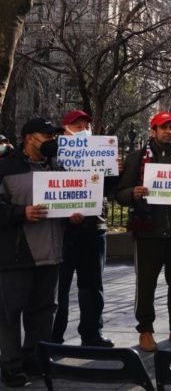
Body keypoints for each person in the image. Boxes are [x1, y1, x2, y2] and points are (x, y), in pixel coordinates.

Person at [0, 118, 83, 387]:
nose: (51, 140)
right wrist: (20, 213)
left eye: (53, 135)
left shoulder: (58, 168)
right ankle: (10, 365)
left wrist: (74, 215)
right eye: (45, 135)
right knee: (9, 314)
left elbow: (69, 203)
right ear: (28, 138)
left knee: (43, 311)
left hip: (52, 253)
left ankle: (34, 359)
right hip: (16, 255)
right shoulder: (5, 167)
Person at [115, 111, 171, 352]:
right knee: (146, 285)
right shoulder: (136, 159)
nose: (169, 131)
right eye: (163, 127)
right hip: (148, 233)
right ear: (152, 131)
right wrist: (132, 193)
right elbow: (119, 194)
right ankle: (145, 330)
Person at [50, 110, 115, 347]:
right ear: (65, 129)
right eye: (77, 126)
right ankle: (54, 337)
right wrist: (66, 213)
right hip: (63, 231)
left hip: (93, 228)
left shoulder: (99, 155)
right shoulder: (54, 157)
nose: (83, 130)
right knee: (59, 289)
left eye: (86, 126)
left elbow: (109, 190)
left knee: (92, 286)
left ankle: (91, 333)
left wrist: (112, 169)